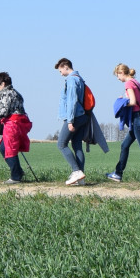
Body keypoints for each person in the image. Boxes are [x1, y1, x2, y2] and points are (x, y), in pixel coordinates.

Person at [105, 64, 140, 184]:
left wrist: (121, 102)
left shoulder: (128, 83)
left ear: (121, 73)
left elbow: (133, 102)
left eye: (117, 75)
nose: (117, 78)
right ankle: (117, 174)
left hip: (137, 119)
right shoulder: (137, 83)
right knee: (124, 145)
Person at [0, 72, 32, 184]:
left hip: (12, 124)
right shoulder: (16, 93)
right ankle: (18, 172)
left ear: (3, 84)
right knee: (4, 148)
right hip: (18, 123)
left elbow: (3, 113)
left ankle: (16, 177)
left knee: (9, 149)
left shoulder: (6, 94)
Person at [55, 57, 89, 186]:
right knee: (77, 145)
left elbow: (71, 101)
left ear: (65, 66)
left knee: (61, 144)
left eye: (60, 70)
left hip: (74, 117)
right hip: (82, 116)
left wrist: (69, 121)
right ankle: (81, 179)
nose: (60, 74)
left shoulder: (71, 80)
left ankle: (76, 171)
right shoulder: (80, 78)